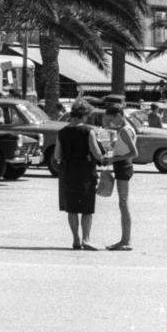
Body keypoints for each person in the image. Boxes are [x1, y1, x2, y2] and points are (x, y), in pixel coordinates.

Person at [53, 99, 106, 250]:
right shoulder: (88, 131)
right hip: (85, 171)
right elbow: (96, 152)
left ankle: (76, 239)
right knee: (87, 208)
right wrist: (103, 159)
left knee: (72, 208)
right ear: (84, 115)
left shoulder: (62, 132)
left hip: (68, 172)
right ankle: (86, 239)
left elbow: (57, 156)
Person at [101, 98, 138, 251]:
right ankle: (124, 240)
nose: (110, 122)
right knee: (123, 203)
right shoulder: (126, 128)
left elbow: (134, 153)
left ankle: (125, 241)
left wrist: (114, 159)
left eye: (111, 118)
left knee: (123, 203)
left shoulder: (124, 130)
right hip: (122, 166)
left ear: (119, 115)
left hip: (124, 167)